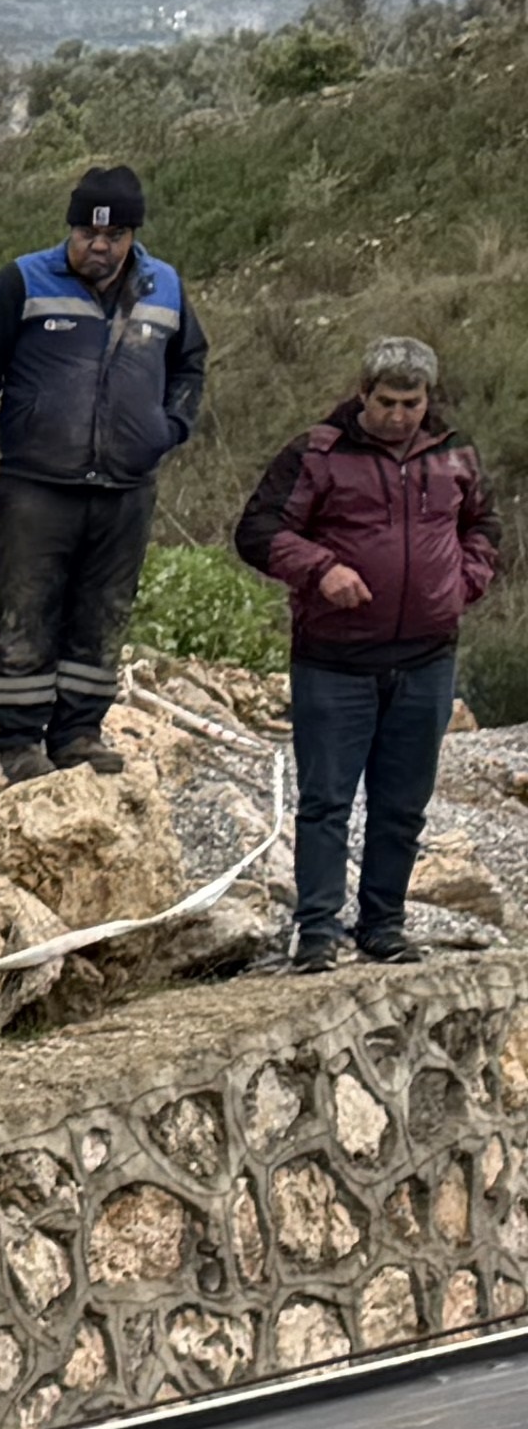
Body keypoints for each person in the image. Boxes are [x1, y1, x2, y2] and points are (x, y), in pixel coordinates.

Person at [232, 338, 499, 969]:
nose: (401, 415)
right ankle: (318, 931)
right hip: (335, 659)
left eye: (413, 402)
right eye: (388, 402)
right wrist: (321, 569)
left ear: (428, 398)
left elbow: (484, 526)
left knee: (402, 804)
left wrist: (462, 585)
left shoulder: (455, 453)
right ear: (363, 394)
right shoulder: (317, 453)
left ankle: (385, 925)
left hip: (428, 656)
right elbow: (259, 531)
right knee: (326, 799)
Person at [0, 165, 211, 780]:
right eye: (89, 233)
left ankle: (79, 733)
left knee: (102, 611)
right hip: (39, 482)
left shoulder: (163, 286)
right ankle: (19, 741)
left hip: (126, 487)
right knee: (27, 609)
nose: (100, 245)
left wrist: (169, 429)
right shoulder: (23, 279)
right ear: (71, 229)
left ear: (132, 234)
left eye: (114, 234)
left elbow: (190, 365)